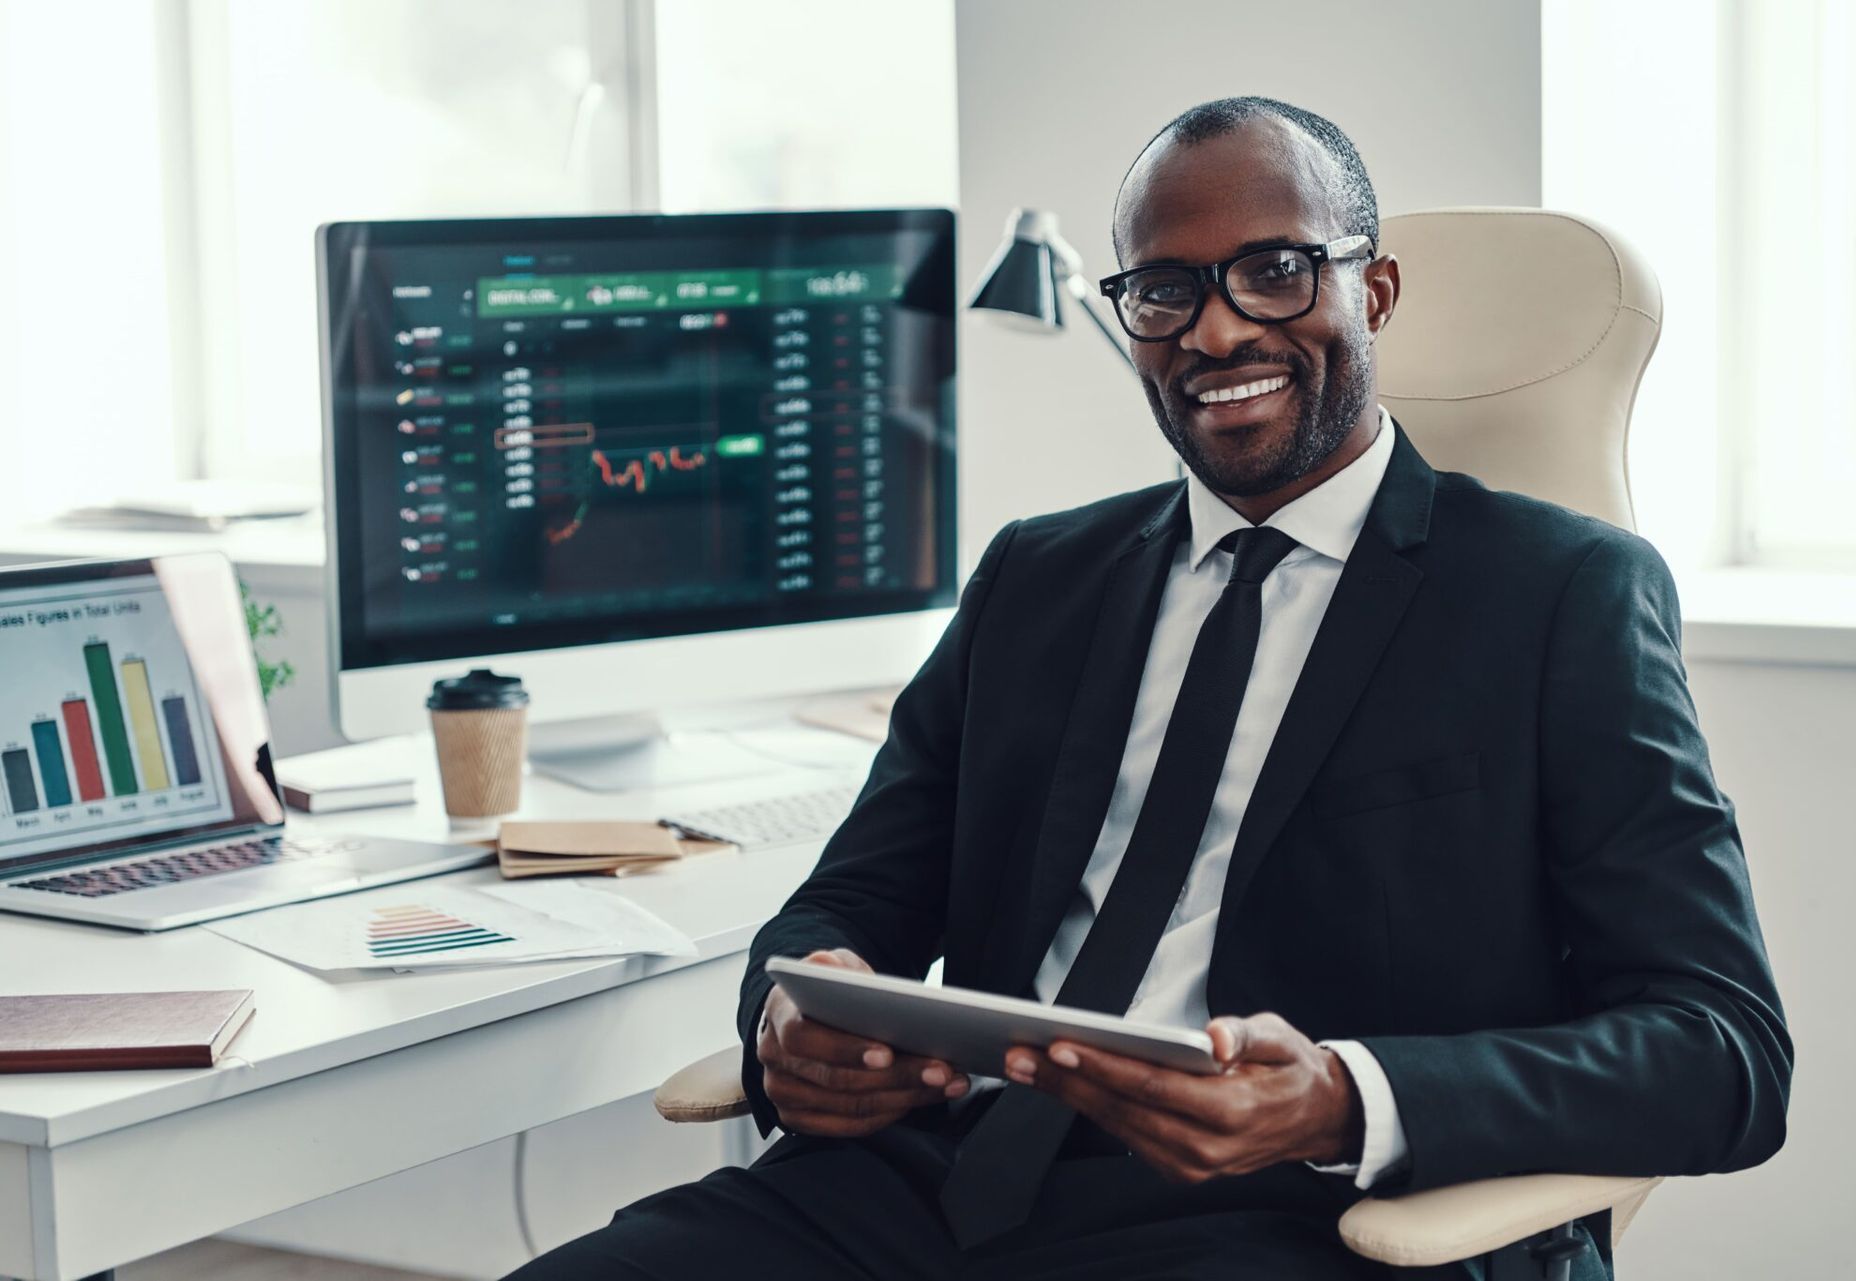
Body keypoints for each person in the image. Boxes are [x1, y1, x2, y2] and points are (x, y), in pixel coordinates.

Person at [505, 95, 1790, 1281]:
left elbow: (1724, 1050)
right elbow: (850, 899)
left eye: (1276, 271)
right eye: (1166, 291)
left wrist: (1344, 1096)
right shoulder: (1036, 576)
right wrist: (790, 1020)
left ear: (1376, 290)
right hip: (932, 1182)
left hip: (1293, 1220)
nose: (1219, 328)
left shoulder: (1558, 593)